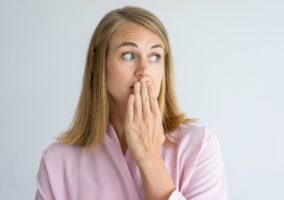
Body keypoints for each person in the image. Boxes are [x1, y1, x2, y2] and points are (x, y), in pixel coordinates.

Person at [35, 6, 227, 200]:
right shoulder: (57, 162)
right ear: (98, 65)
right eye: (129, 55)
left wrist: (149, 157)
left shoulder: (199, 147)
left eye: (155, 56)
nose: (144, 70)